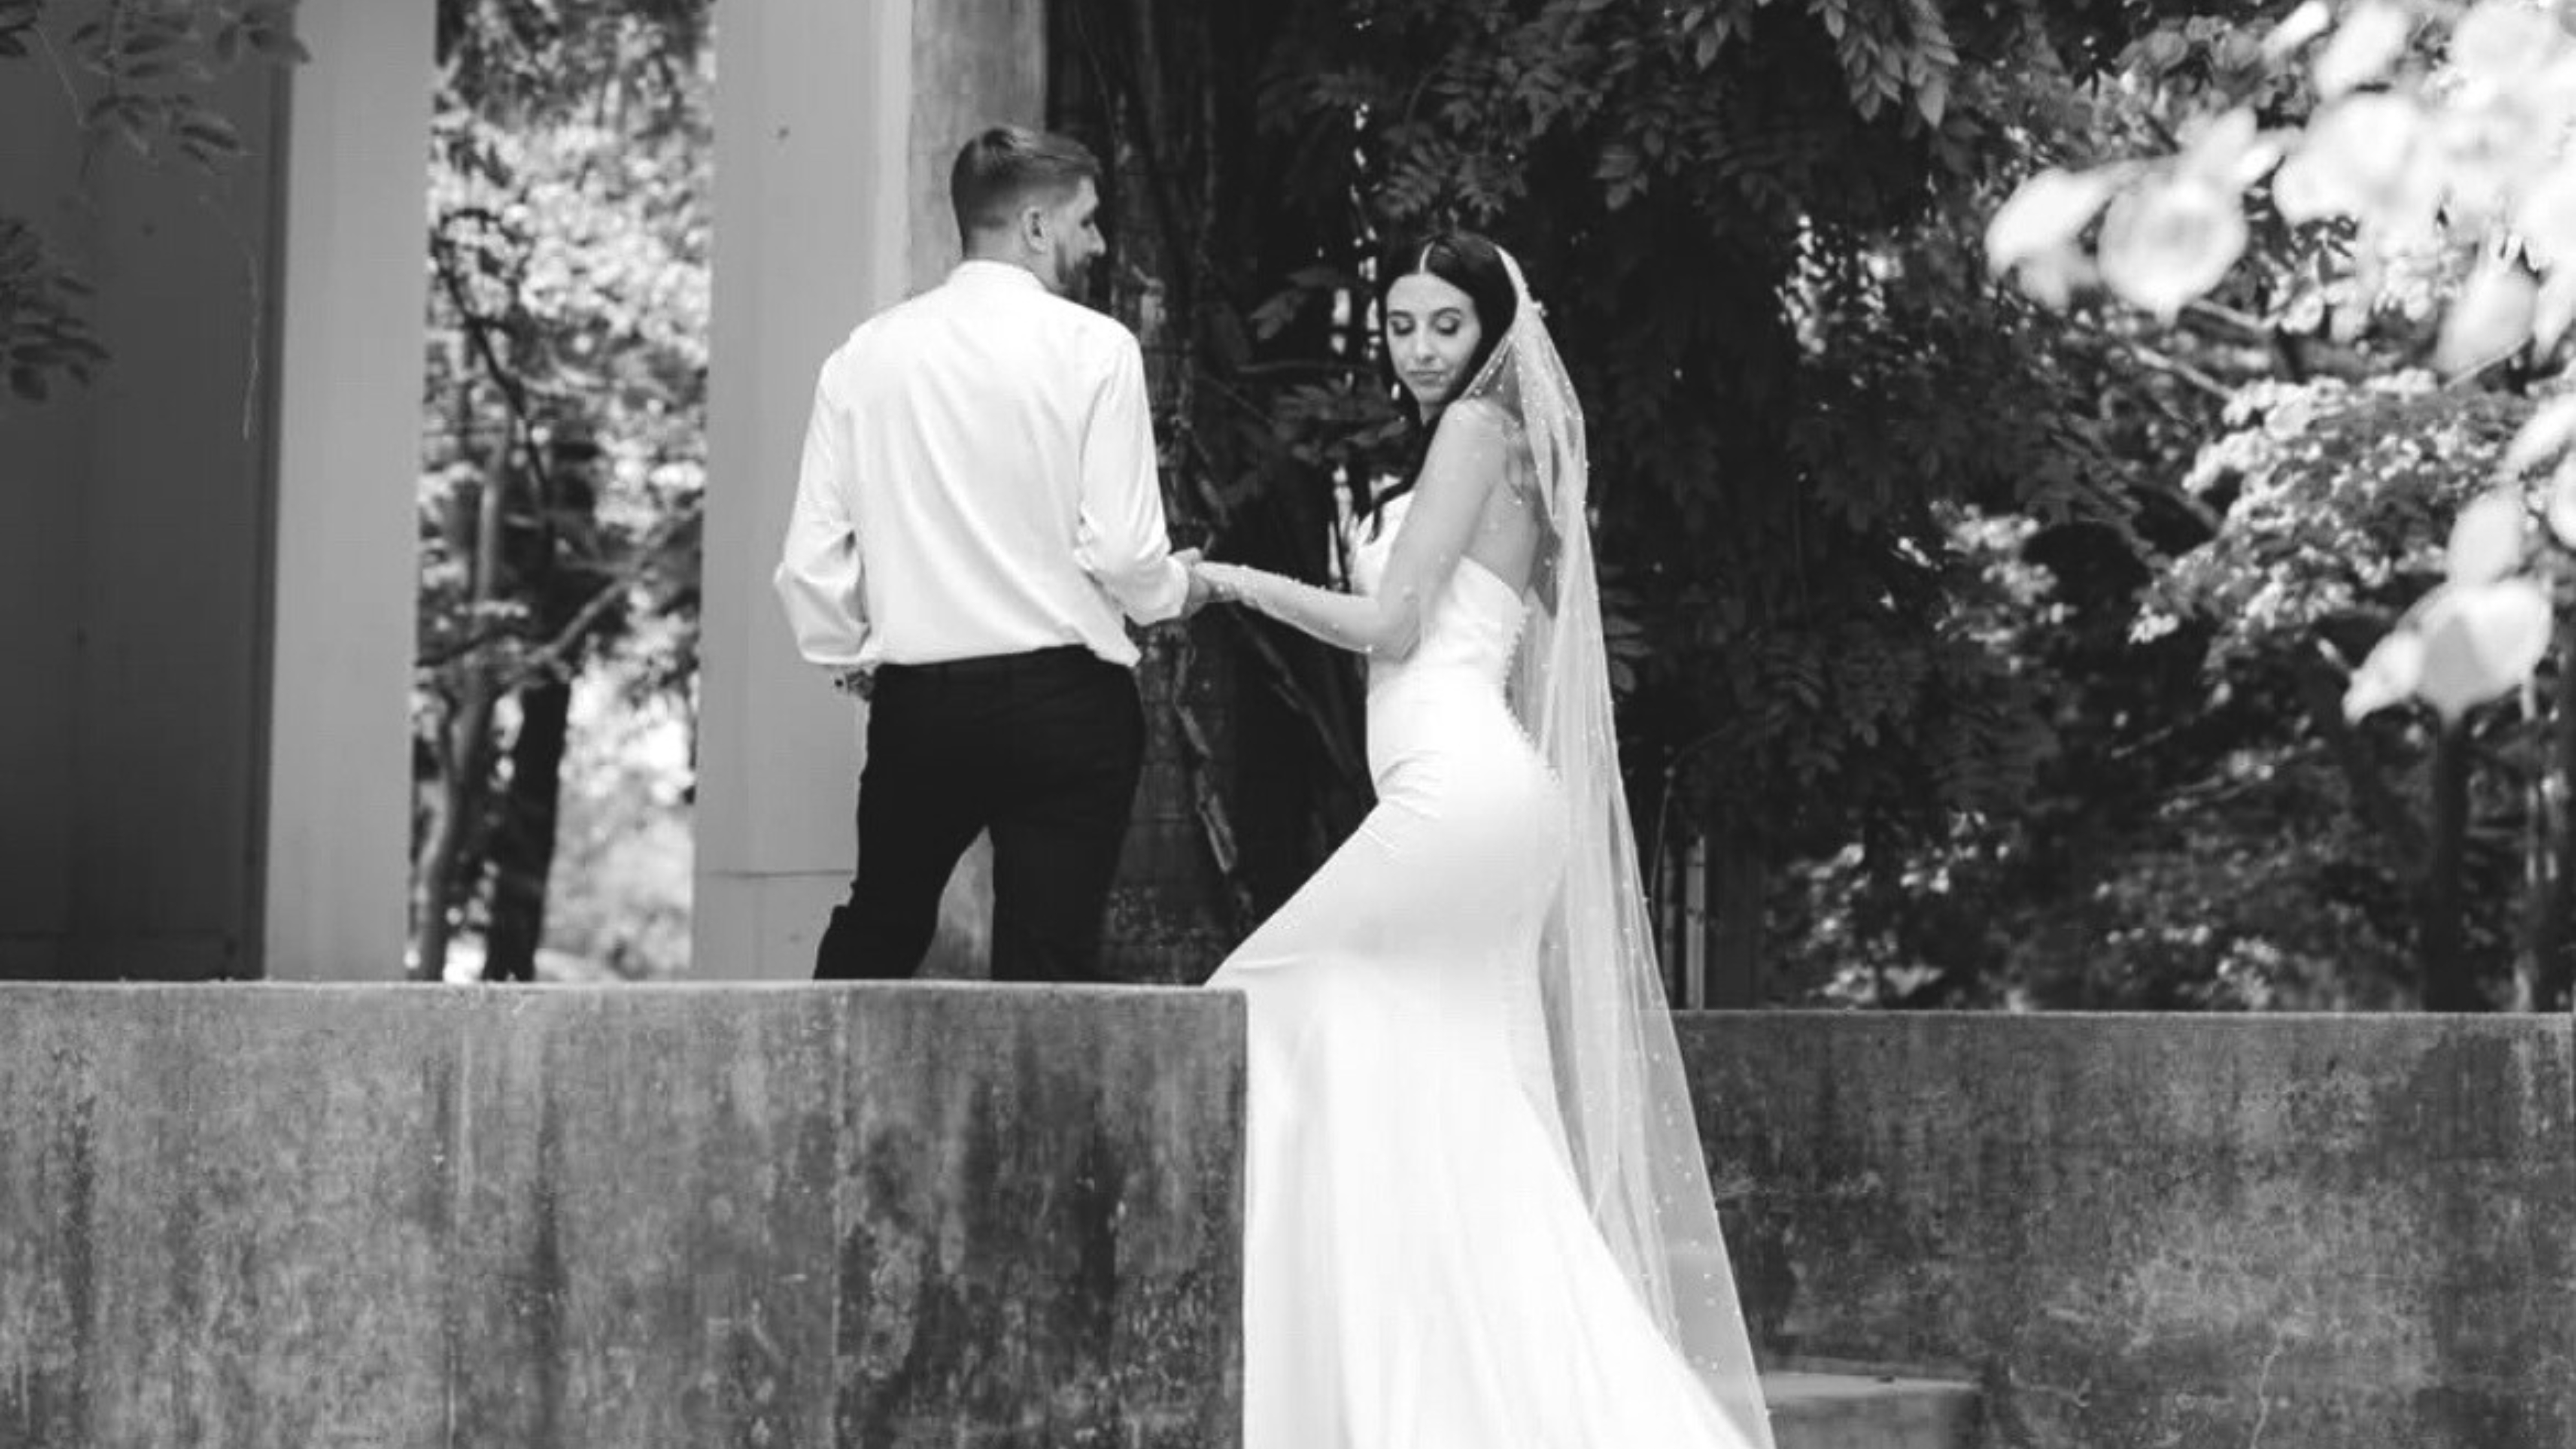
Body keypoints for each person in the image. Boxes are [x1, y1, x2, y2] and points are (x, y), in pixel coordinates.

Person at [1189, 233, 1775, 1449]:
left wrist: (1230, 582)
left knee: (1256, 990)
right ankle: (1442, 1373)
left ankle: (1325, 1368)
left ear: (1497, 329)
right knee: (1451, 1083)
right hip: (1494, 793)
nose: (1417, 351)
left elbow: (1395, 626)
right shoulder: (1521, 452)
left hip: (1458, 789)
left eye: (1444, 326)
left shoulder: (1475, 435)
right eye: (1400, 326)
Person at [774, 125, 1204, 984]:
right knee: (1047, 970)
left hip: (921, 706)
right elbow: (1124, 549)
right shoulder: (1096, 348)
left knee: (879, 933)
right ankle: (1032, 1125)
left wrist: (859, 653)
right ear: (1037, 227)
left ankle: (814, 1116)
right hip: (1068, 704)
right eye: (1087, 222)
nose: (1099, 242)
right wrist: (1170, 592)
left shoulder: (864, 356)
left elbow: (811, 565)